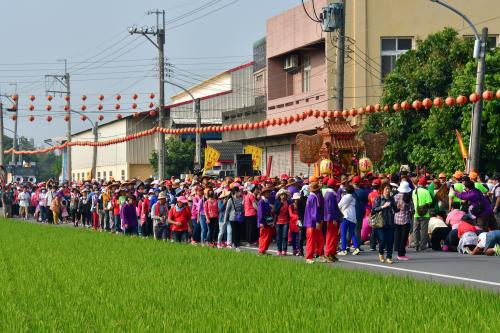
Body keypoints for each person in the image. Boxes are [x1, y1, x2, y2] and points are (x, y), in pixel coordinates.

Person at [372, 183, 399, 264]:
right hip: (381, 223)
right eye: (386, 189)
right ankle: (381, 253)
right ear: (382, 190)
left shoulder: (392, 199)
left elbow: (396, 209)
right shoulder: (378, 199)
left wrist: (398, 207)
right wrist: (383, 206)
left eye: (389, 189)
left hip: (390, 222)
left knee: (390, 241)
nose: (388, 190)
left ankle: (389, 257)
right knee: (382, 240)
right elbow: (373, 210)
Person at [338, 185, 360, 256]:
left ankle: (344, 250)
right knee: (352, 233)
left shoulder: (345, 197)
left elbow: (339, 205)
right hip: (353, 218)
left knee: (343, 234)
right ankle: (356, 248)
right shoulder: (353, 198)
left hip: (345, 217)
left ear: (346, 191)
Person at [323, 178, 342, 262]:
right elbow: (330, 208)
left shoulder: (329, 193)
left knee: (334, 236)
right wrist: (334, 218)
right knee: (331, 236)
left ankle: (332, 253)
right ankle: (328, 254)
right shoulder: (330, 194)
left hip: (332, 217)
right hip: (331, 218)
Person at [303, 182, 322, 263]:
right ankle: (309, 257)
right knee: (311, 239)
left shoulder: (310, 197)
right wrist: (317, 222)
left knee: (312, 239)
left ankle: (313, 255)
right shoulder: (314, 198)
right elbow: (314, 211)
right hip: (312, 222)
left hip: (309, 221)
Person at [412, 177, 433, 252]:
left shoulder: (414, 191)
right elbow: (429, 202)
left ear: (419, 183)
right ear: (425, 184)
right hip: (425, 214)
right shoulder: (426, 192)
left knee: (415, 230)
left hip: (416, 214)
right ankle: (423, 246)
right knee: (424, 231)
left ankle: (416, 245)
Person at [394, 181, 412, 260]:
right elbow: (412, 208)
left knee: (398, 235)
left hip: (397, 218)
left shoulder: (396, 196)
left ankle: (398, 249)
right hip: (405, 219)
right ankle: (401, 254)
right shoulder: (408, 198)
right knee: (404, 238)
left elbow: (393, 206)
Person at [225, 187, 244, 251]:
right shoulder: (230, 200)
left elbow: (242, 208)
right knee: (235, 231)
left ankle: (236, 244)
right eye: (238, 191)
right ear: (235, 192)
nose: (240, 193)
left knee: (239, 231)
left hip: (239, 218)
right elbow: (227, 211)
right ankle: (236, 245)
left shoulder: (241, 199)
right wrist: (225, 220)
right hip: (232, 218)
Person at [257, 186, 275, 256]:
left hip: (267, 221)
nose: (268, 194)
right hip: (263, 222)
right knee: (263, 237)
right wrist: (261, 222)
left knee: (267, 237)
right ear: (264, 194)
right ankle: (261, 251)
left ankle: (264, 250)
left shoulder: (266, 201)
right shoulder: (261, 201)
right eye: (267, 193)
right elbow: (260, 213)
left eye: (269, 192)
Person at [274, 189, 290, 256]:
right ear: (279, 196)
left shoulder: (288, 202)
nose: (283, 196)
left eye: (284, 195)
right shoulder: (277, 202)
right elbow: (275, 211)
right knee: (278, 236)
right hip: (278, 221)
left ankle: (284, 250)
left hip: (286, 221)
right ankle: (279, 250)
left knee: (285, 236)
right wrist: (280, 205)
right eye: (281, 195)